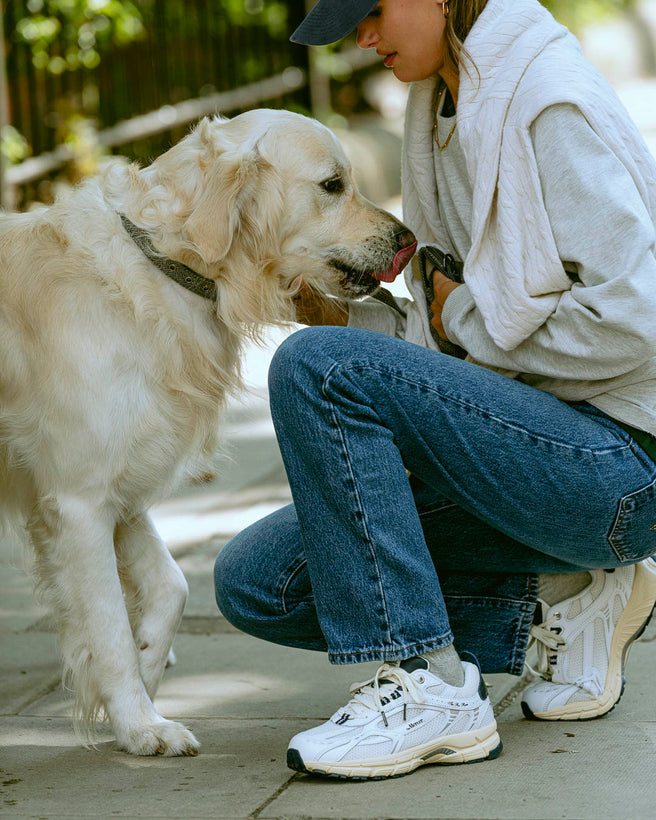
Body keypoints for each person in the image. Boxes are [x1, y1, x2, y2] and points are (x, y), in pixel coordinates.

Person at [214, 0, 656, 781]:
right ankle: (563, 606)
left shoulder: (546, 100)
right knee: (259, 582)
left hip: (624, 463)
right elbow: (440, 350)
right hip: (537, 449)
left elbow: (639, 315)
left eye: (374, 10)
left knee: (320, 368)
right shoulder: (441, 108)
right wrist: (350, 311)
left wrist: (469, 322)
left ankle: (432, 685)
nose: (365, 37)